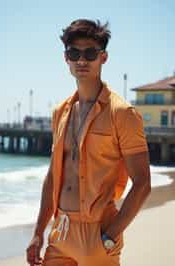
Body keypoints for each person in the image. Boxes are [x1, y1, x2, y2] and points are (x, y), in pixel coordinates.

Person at [26, 19, 151, 266]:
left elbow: (143, 183)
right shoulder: (60, 112)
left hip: (98, 233)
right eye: (74, 53)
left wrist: (110, 236)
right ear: (66, 58)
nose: (81, 60)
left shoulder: (122, 113)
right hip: (60, 232)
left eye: (90, 53)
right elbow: (53, 177)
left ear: (103, 57)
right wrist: (38, 232)